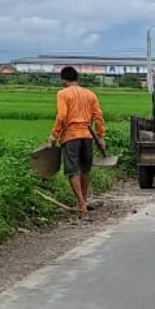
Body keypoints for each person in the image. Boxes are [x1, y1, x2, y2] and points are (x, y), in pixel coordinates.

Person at [50, 66, 106, 213]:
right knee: (85, 169)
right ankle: (84, 200)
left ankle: (81, 203)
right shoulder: (90, 94)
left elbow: (62, 116)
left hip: (71, 136)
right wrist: (101, 137)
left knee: (72, 170)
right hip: (88, 135)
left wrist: (54, 135)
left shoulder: (63, 94)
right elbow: (98, 116)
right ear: (77, 78)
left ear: (63, 80)